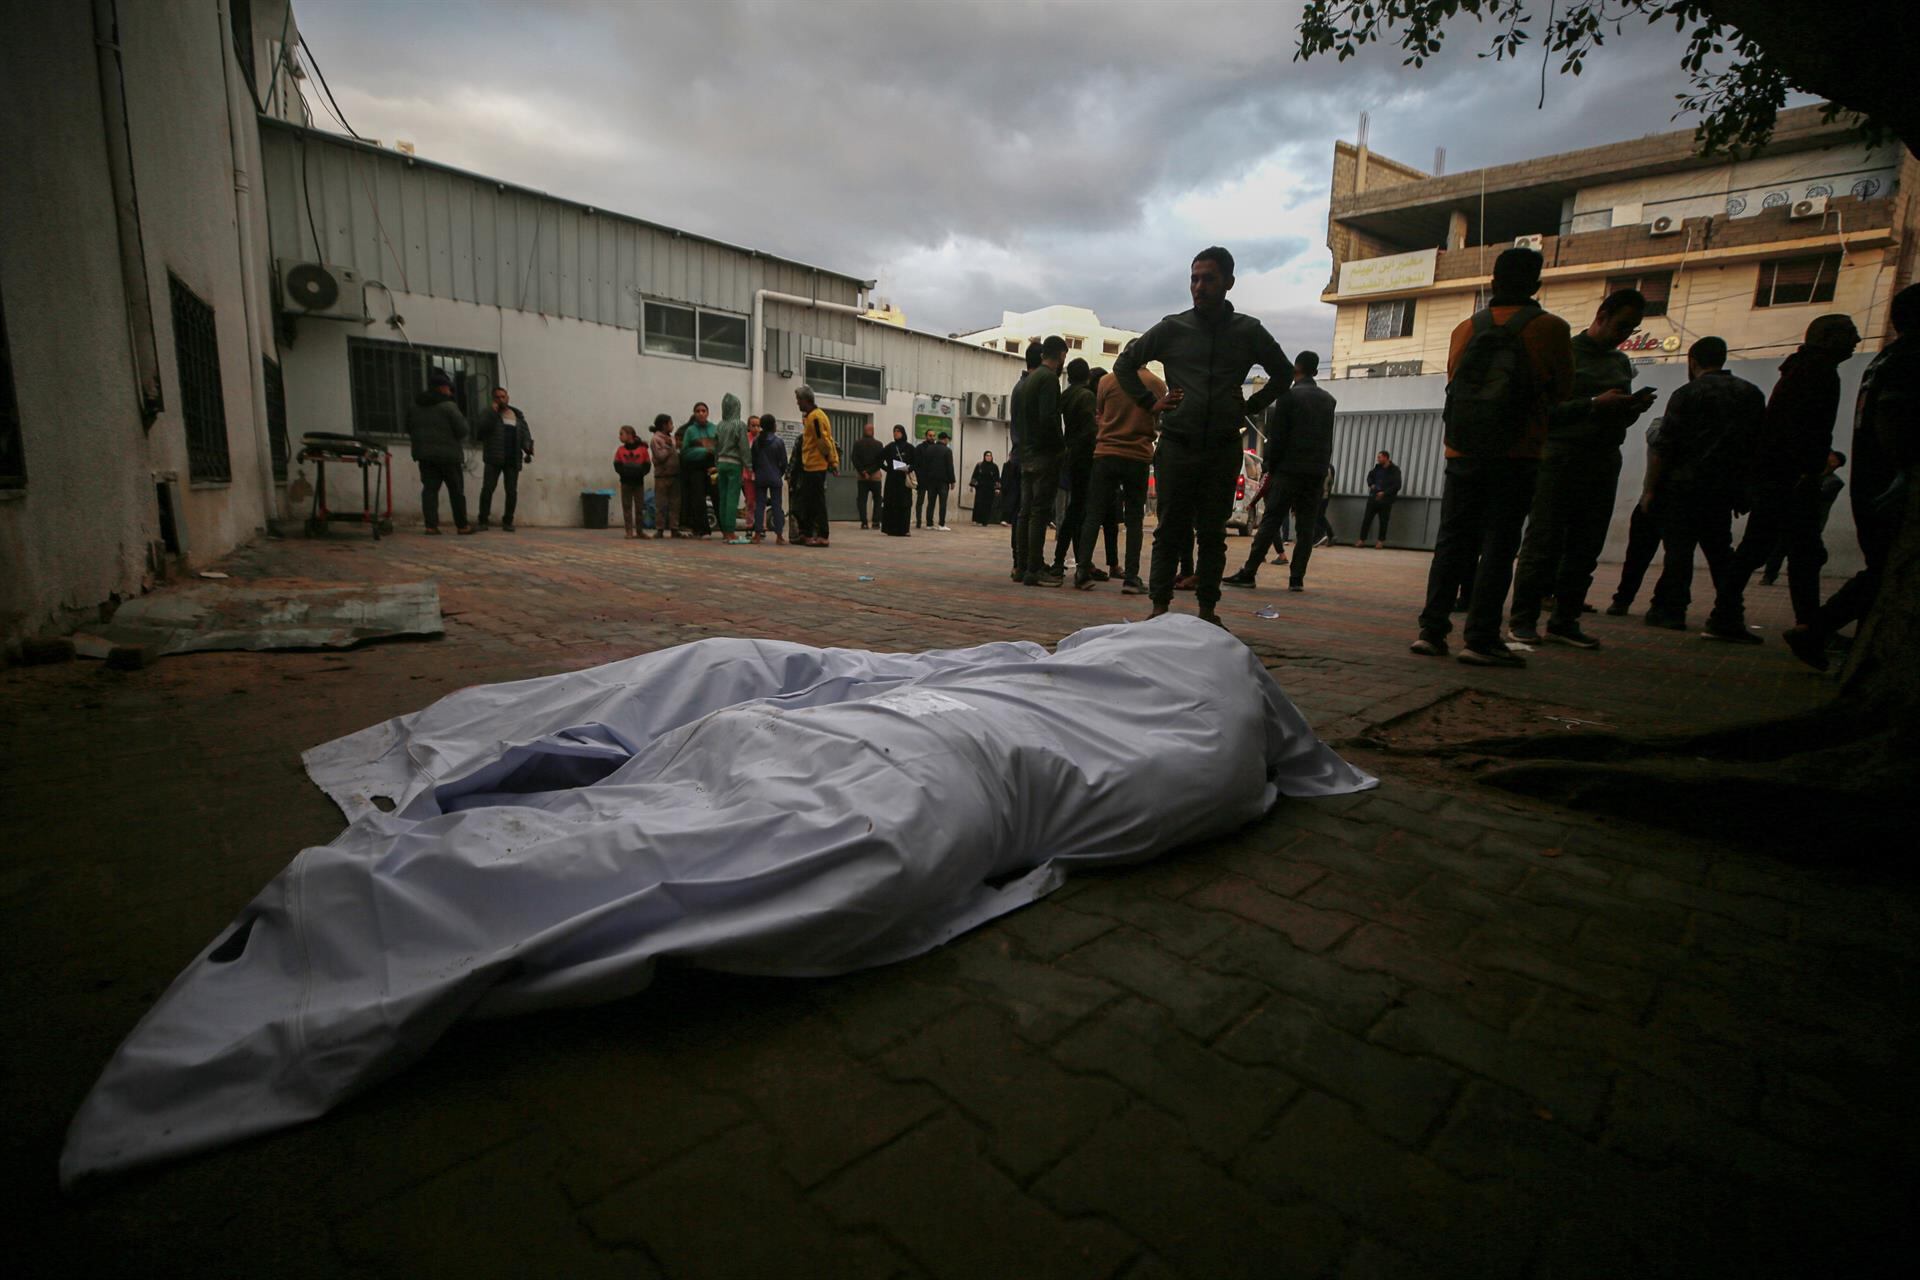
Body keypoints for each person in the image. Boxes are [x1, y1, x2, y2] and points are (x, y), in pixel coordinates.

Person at [1411, 246, 1574, 666]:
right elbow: (1561, 392)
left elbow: (1455, 384)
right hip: (1517, 453)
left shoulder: (1465, 329)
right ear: (1536, 284)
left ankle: (1431, 632)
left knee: (1452, 543)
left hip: (1462, 451)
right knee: (1499, 546)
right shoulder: (1551, 329)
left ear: (1493, 283)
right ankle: (1480, 639)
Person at [1114, 246, 1291, 624]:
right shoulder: (1172, 328)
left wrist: (1250, 404)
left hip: (1222, 448)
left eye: (1208, 278)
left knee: (1212, 534)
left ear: (1229, 282)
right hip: (1177, 444)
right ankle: (1159, 608)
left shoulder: (1248, 331)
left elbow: (1284, 372)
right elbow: (1125, 363)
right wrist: (1151, 403)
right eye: (1194, 278)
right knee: (1169, 530)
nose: (1199, 286)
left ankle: (1208, 612)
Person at [1506, 288, 1656, 649]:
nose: (1624, 335)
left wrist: (1630, 409)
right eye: (1621, 325)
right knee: (1543, 542)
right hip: (1559, 459)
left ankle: (1564, 621)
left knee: (1586, 547)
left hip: (1603, 460)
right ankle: (1523, 620)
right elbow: (1542, 412)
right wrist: (1592, 404)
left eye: (1632, 329)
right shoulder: (1565, 353)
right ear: (1601, 316)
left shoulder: (1620, 363)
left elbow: (1616, 416)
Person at [1785, 283, 1919, 669]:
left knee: (1875, 567)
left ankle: (1840, 640)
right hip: (1884, 483)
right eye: (1848, 333)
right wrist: (1903, 472)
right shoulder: (1906, 358)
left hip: (1867, 481)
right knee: (1884, 568)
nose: (1857, 339)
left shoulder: (1884, 360)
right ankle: (1817, 629)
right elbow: (1891, 414)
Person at [1717, 313, 1862, 639]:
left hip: (1783, 477)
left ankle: (1799, 623)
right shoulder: (1817, 372)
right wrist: (1802, 472)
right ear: (1827, 338)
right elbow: (1796, 430)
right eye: (1850, 333)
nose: (1857, 340)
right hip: (1789, 479)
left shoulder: (1803, 369)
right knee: (1793, 552)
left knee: (1778, 550)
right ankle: (1804, 624)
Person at [1637, 336, 1765, 632]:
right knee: (1720, 552)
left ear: (1692, 361)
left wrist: (1650, 490)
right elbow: (1757, 446)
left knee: (1678, 552)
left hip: (1683, 486)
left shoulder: (1687, 394)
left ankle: (1673, 611)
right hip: (1723, 489)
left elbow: (1664, 446)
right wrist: (1744, 489)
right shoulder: (1750, 394)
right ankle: (1729, 612)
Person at [1225, 351, 1335, 592]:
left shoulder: (1288, 397)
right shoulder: (1329, 401)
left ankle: (1249, 572)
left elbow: (1277, 439)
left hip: (1288, 470)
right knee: (1306, 528)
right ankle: (1296, 579)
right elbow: (1327, 440)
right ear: (1316, 371)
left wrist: (1269, 468)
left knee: (1271, 521)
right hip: (1315, 472)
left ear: (1296, 369)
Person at [1074, 344, 1163, 594]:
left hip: (1106, 453)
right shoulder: (1157, 384)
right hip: (1138, 455)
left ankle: (1082, 570)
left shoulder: (1106, 381)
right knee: (1134, 519)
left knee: (1094, 513)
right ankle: (1131, 578)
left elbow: (1100, 414)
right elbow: (1157, 417)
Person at [1013, 336, 1069, 585]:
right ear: (1061, 355)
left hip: (1026, 454)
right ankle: (1034, 568)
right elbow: (1048, 418)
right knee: (1039, 512)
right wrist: (1060, 447)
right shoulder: (1048, 379)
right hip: (1043, 455)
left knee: (1026, 512)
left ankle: (1023, 565)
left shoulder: (1028, 380)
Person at [1606, 420, 1666, 614]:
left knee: (1637, 555)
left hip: (1654, 500)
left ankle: (1623, 599)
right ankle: (1659, 604)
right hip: (1672, 500)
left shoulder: (1660, 427)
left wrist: (1649, 492)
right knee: (1675, 557)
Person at [406, 368, 473, 535]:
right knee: (456, 492)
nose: (450, 391)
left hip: (425, 455)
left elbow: (408, 428)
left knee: (430, 490)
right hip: (449, 456)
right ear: (442, 388)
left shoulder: (415, 406)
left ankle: (431, 526)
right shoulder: (448, 406)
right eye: (449, 388)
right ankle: (462, 525)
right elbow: (463, 430)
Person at [1763, 450, 1845, 584]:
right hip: (1794, 517)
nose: (1828, 458)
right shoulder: (1809, 474)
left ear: (1836, 463)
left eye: (1832, 458)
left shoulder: (1834, 482)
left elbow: (1817, 495)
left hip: (1811, 521)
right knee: (1780, 547)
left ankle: (1791, 576)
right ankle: (1769, 575)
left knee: (1799, 549)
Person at [1051, 359, 1099, 575]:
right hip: (1084, 456)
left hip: (1070, 453)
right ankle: (1069, 560)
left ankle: (1074, 559)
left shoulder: (1066, 395)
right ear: (1087, 376)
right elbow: (1089, 429)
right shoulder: (1086, 396)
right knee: (1078, 509)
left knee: (1075, 509)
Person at [473, 385, 534, 532]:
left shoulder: (517, 415)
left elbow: (525, 434)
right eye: (497, 397)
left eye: (503, 397)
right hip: (494, 458)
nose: (501, 400)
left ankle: (508, 521)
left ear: (508, 398)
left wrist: (528, 448)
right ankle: (483, 520)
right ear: (493, 399)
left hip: (512, 458)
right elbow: (480, 432)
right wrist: (492, 413)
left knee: (511, 491)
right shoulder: (488, 414)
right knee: (488, 489)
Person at [794, 385, 839, 546]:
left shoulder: (816, 418)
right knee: (808, 502)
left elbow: (824, 441)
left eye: (799, 400)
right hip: (810, 465)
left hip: (816, 466)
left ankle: (822, 535)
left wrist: (831, 461)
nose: (797, 403)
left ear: (806, 400)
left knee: (817, 502)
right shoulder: (812, 416)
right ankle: (806, 533)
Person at [712, 394, 750, 543]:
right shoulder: (739, 425)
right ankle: (730, 532)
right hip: (734, 464)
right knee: (732, 499)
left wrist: (716, 463)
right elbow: (744, 447)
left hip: (721, 463)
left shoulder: (720, 425)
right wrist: (749, 465)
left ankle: (724, 532)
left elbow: (716, 447)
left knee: (723, 497)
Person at [677, 401, 717, 538]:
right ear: (694, 414)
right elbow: (685, 452)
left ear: (708, 413)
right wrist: (704, 451)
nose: (701, 413)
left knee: (717, 496)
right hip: (696, 468)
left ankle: (726, 529)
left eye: (703, 411)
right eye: (698, 411)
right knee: (698, 498)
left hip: (712, 467)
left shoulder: (714, 429)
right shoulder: (690, 431)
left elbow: (720, 448)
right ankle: (703, 529)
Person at [751, 415, 789, 544]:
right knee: (776, 506)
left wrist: (758, 472)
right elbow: (784, 462)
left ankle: (757, 534)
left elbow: (753, 461)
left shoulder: (756, 442)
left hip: (760, 477)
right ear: (773, 426)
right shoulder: (779, 442)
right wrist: (779, 473)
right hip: (775, 477)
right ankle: (779, 536)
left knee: (759, 506)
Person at [613, 425, 652, 539]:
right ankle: (629, 530)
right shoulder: (620, 450)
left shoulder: (642, 450)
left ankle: (640, 531)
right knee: (627, 506)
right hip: (625, 482)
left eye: (622, 434)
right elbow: (617, 465)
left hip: (638, 482)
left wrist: (639, 473)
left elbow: (647, 465)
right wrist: (625, 473)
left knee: (639, 507)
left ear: (630, 435)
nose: (620, 436)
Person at [1358, 450, 1402, 547]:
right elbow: (1369, 477)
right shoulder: (1376, 469)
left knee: (1383, 521)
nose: (1377, 459)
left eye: (1379, 457)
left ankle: (1380, 541)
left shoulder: (1395, 470)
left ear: (1386, 458)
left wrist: (1385, 493)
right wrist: (1371, 484)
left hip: (1386, 500)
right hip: (1373, 498)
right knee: (1367, 519)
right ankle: (1361, 540)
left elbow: (1397, 485)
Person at [649, 414, 682, 539]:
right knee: (661, 504)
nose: (672, 426)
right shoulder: (656, 439)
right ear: (664, 425)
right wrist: (669, 447)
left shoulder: (671, 438)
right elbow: (660, 456)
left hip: (675, 475)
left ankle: (674, 528)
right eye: (670, 423)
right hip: (662, 477)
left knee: (675, 504)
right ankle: (660, 529)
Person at [881, 425, 917, 536]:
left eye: (898, 431)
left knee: (904, 504)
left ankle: (904, 529)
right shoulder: (890, 447)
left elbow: (917, 462)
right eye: (894, 431)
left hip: (903, 480)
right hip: (892, 480)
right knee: (891, 503)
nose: (896, 433)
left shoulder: (909, 448)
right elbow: (879, 459)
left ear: (903, 433)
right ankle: (891, 529)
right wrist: (888, 469)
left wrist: (909, 468)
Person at [851, 422, 886, 530]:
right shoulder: (879, 444)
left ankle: (864, 522)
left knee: (862, 500)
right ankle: (876, 522)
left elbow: (854, 459)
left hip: (862, 477)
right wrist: (871, 472)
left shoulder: (857, 444)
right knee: (877, 499)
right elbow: (880, 461)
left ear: (864, 431)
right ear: (873, 431)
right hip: (875, 476)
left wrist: (863, 472)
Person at [925, 432, 956, 530]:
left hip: (931, 480)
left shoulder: (929, 449)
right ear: (945, 439)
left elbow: (925, 464)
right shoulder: (947, 450)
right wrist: (952, 481)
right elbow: (950, 467)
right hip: (943, 481)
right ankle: (941, 524)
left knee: (931, 503)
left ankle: (929, 524)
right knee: (942, 503)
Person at [970, 451, 1000, 524]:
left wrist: (997, 488)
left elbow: (997, 478)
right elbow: (975, 475)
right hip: (980, 488)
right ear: (984, 457)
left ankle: (985, 521)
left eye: (990, 456)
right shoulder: (979, 465)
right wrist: (972, 486)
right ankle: (977, 520)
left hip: (990, 488)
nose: (988, 457)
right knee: (979, 503)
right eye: (987, 456)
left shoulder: (994, 467)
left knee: (987, 504)